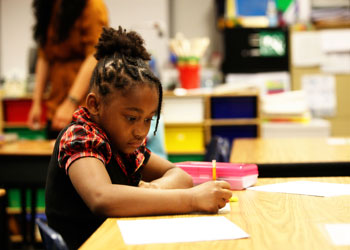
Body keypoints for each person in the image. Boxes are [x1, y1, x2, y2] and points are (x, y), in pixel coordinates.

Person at [45, 26, 232, 250]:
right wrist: (191, 199)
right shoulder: (80, 136)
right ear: (95, 105)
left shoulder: (124, 144)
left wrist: (152, 191)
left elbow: (179, 175)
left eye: (148, 119)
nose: (141, 131)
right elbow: (102, 198)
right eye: (132, 117)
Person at [28, 0, 108, 139]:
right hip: (55, 110)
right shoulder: (49, 6)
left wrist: (70, 102)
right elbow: (44, 56)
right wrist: (36, 103)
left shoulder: (92, 5)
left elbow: (95, 56)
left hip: (84, 109)